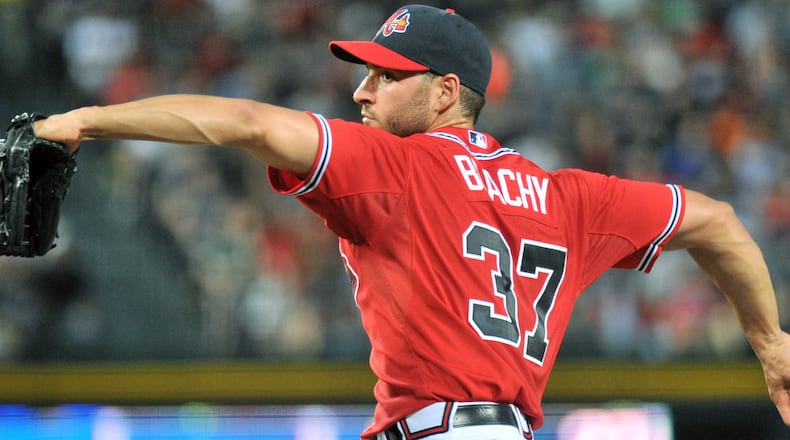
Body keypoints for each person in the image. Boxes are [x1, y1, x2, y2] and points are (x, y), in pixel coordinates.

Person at [31, 4, 790, 440]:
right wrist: (770, 343)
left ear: (444, 93)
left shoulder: (398, 167)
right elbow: (718, 222)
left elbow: (243, 122)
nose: (361, 92)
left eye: (383, 75)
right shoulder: (569, 198)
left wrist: (87, 121)